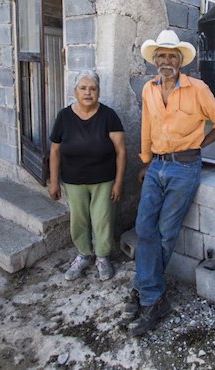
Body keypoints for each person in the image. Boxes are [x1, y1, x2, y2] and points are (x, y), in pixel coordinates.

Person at [125, 30, 215, 336]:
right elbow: (147, 125)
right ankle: (150, 291)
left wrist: (198, 144)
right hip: (157, 165)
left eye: (172, 56)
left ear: (181, 61)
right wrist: (146, 161)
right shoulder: (148, 89)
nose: (166, 61)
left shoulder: (197, 88)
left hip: (185, 168)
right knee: (144, 228)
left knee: (165, 232)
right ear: (155, 60)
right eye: (162, 56)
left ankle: (149, 294)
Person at [48, 70, 126, 281]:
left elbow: (121, 151)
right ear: (75, 91)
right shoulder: (64, 116)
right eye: (83, 88)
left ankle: (102, 257)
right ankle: (83, 254)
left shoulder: (109, 116)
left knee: (102, 219)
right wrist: (54, 181)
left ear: (99, 92)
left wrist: (118, 183)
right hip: (73, 180)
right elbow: (55, 151)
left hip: (103, 180)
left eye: (92, 88)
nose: (88, 93)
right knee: (78, 220)